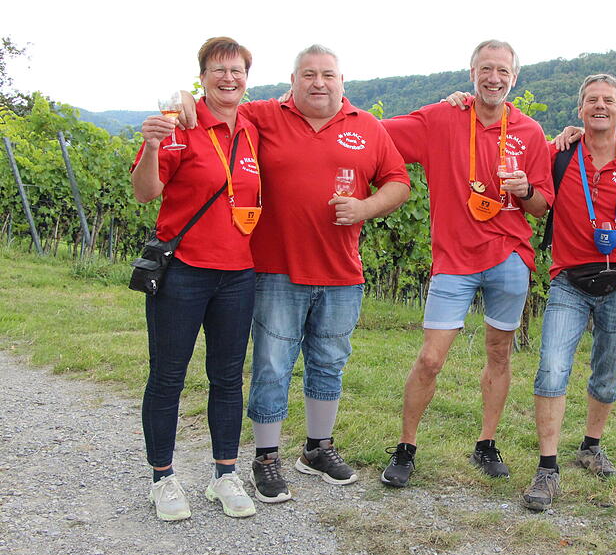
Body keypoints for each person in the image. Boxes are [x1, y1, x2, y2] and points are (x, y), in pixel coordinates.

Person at [178, 44, 410, 504]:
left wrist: (365, 206)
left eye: (327, 74)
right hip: (275, 270)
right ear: (293, 80)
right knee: (271, 364)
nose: (318, 83)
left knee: (329, 363)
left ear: (342, 81)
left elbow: (398, 182)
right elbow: (215, 106)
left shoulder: (367, 127)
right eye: (309, 74)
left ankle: (317, 449)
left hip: (342, 273)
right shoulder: (264, 115)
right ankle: (266, 456)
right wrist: (184, 103)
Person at [378, 40, 554, 487]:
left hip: (509, 259)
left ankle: (486, 443)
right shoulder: (443, 118)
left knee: (499, 353)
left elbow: (540, 206)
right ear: (471, 72)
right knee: (430, 359)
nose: (494, 78)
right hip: (453, 260)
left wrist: (524, 191)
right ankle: (405, 447)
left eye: (503, 71)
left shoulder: (530, 132)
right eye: (486, 69)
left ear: (515, 78)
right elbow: (376, 133)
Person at [132, 36, 260, 521]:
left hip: (238, 275)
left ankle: (224, 475)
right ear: (202, 77)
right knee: (168, 376)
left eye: (237, 71)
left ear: (247, 79)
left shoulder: (253, 126)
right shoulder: (179, 128)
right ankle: (162, 479)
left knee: (227, 378)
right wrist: (150, 145)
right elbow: (146, 192)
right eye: (219, 70)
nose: (229, 79)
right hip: (183, 272)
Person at [520, 74, 616, 511]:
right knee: (552, 369)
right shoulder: (559, 154)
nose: (600, 106)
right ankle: (547, 469)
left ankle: (591, 446)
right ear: (579, 110)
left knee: (607, 376)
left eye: (608, 101)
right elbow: (534, 194)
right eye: (592, 101)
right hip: (569, 282)